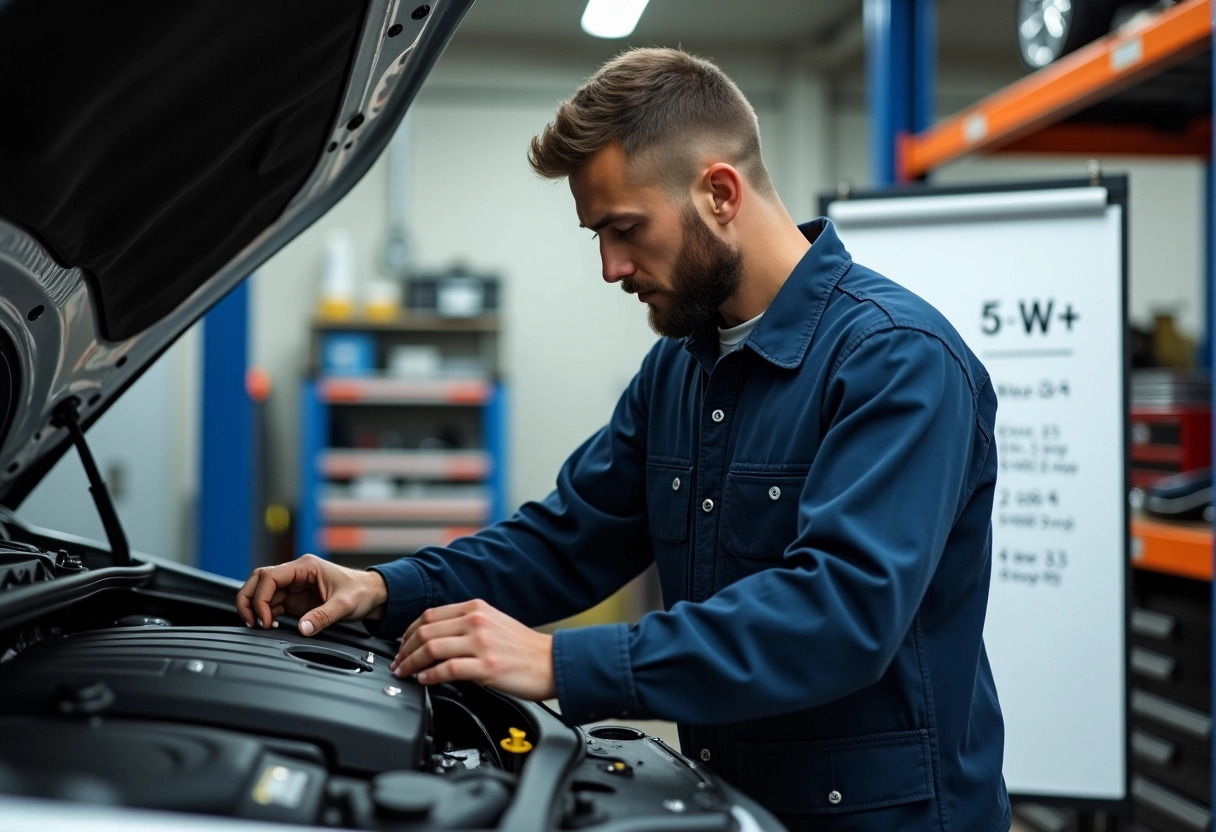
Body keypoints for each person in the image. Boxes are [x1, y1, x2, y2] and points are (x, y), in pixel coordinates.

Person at [237, 47, 1010, 832]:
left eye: (625, 229)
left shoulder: (896, 360)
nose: (610, 266)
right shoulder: (680, 368)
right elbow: (566, 540)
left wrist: (561, 664)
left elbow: (841, 613)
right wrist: (382, 588)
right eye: (596, 235)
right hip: (735, 805)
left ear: (718, 192)